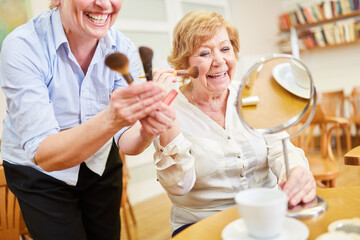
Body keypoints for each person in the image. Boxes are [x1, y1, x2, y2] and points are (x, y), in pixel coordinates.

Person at [0, 0, 175, 239]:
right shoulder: (23, 46)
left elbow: (127, 141)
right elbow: (45, 155)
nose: (104, 4)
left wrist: (146, 131)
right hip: (39, 172)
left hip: (100, 162)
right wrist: (113, 118)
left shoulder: (123, 48)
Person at [150, 10, 317, 236]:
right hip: (203, 223)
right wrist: (166, 114)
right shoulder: (168, 106)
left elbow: (280, 149)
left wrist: (296, 171)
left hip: (265, 212)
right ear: (184, 63)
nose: (219, 60)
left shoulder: (251, 92)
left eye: (225, 49)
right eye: (205, 52)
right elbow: (179, 185)